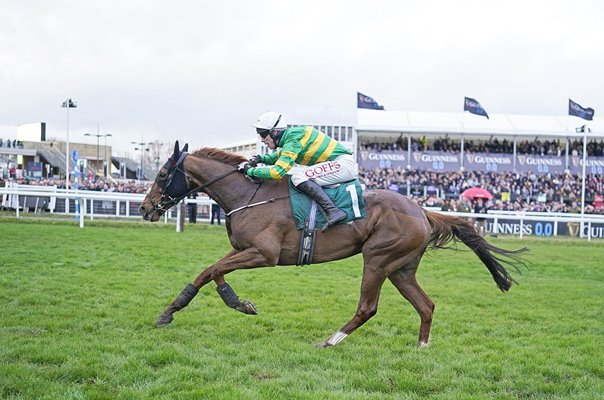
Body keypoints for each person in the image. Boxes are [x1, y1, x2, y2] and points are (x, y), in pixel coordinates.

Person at [237, 111, 358, 231]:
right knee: (299, 176)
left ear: (274, 132)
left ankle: (333, 211)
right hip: (338, 164)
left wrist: (250, 171)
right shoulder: (291, 138)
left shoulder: (293, 139)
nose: (262, 140)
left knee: (298, 177)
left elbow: (277, 172)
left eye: (263, 134)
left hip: (342, 164)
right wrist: (260, 159)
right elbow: (276, 157)